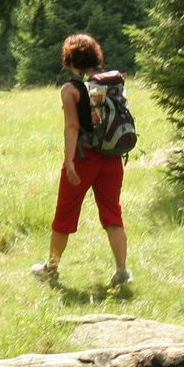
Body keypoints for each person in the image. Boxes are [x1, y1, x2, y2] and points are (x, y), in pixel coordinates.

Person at [29, 33, 132, 287]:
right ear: (96, 57)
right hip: (111, 156)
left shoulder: (70, 89)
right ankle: (122, 271)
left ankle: (51, 269)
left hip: (83, 158)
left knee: (65, 213)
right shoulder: (111, 83)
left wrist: (70, 161)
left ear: (69, 60)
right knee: (112, 213)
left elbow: (72, 127)